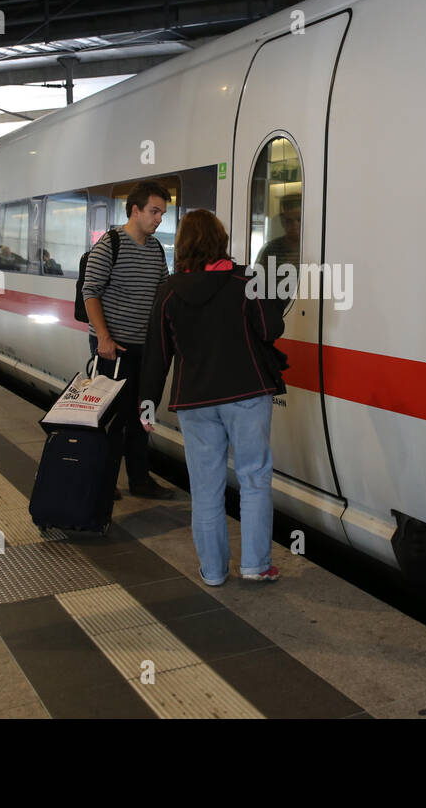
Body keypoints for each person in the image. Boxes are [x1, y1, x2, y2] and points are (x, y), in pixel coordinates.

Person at [140, 210, 288, 584]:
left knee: (206, 489)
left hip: (194, 402)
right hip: (247, 394)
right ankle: (255, 566)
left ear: (182, 245)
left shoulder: (168, 290)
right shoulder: (246, 280)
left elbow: (158, 353)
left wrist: (147, 402)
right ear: (220, 241)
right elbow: (271, 330)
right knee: (254, 479)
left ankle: (213, 572)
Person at [81, 180, 175, 501]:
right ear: (135, 210)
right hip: (114, 349)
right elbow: (90, 292)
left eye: (162, 212)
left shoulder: (156, 249)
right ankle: (102, 481)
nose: (159, 218)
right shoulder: (110, 244)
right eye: (154, 211)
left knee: (142, 415)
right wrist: (103, 337)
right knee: (112, 418)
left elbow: (163, 294)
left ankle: (140, 480)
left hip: (146, 349)